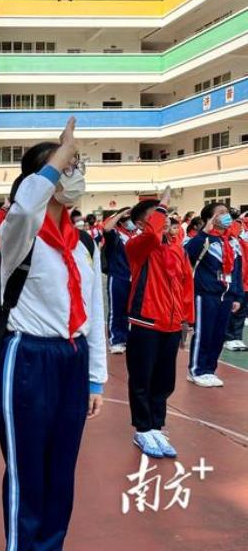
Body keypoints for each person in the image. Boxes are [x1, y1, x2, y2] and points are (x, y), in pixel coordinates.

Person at [0, 117, 107, 551]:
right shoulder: (20, 233)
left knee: (61, 470)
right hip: (28, 358)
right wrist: (61, 152)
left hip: (72, 359)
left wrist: (95, 377)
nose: (75, 172)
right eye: (68, 165)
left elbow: (93, 312)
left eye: (77, 164)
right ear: (44, 177)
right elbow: (25, 207)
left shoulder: (85, 244)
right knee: (28, 469)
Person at [125, 189, 194, 459]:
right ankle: (142, 429)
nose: (165, 221)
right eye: (157, 217)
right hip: (146, 321)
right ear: (142, 223)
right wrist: (161, 205)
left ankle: (156, 425)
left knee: (165, 381)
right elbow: (153, 235)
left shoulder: (176, 248)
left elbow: (186, 284)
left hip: (172, 324)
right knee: (142, 377)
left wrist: (187, 319)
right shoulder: (138, 245)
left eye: (166, 216)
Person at [184, 203, 243, 387]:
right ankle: (196, 370)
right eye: (221, 213)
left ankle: (209, 369)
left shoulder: (233, 242)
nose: (227, 216)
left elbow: (237, 272)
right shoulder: (202, 240)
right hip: (206, 294)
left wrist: (237, 296)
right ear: (211, 218)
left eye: (227, 212)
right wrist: (204, 232)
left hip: (226, 296)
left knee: (218, 335)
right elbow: (186, 254)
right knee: (204, 333)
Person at [101, 207, 135, 354]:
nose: (130, 222)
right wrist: (121, 213)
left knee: (130, 310)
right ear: (120, 222)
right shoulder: (115, 235)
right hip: (117, 276)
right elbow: (106, 228)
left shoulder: (137, 235)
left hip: (133, 277)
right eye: (127, 219)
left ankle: (126, 338)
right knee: (116, 309)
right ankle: (116, 340)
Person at [224, 212, 248, 351]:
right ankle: (227, 338)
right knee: (231, 310)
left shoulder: (242, 242)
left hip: (244, 282)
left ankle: (237, 338)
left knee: (242, 311)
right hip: (233, 282)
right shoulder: (229, 240)